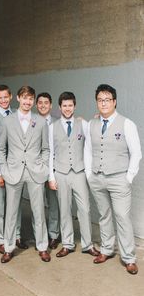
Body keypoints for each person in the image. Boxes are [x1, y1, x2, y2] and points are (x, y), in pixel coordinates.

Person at [84, 84, 142, 274]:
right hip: (97, 178)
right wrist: (89, 174)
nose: (104, 103)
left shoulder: (127, 124)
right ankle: (107, 250)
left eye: (107, 99)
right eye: (100, 100)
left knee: (122, 217)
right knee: (104, 215)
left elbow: (136, 153)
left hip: (119, 179)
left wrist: (128, 177)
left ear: (114, 102)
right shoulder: (92, 124)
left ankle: (129, 258)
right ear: (97, 102)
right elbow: (87, 151)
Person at [0, 85, 50, 263]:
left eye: (30, 99)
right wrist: (4, 170)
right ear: (18, 99)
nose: (27, 101)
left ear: (33, 101)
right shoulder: (7, 121)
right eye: (24, 98)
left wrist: (43, 167)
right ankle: (9, 247)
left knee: (39, 211)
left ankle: (42, 246)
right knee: (11, 212)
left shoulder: (41, 121)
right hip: (13, 172)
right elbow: (0, 149)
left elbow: (45, 149)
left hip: (35, 172)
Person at [49, 92, 99, 258]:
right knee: (64, 210)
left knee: (84, 209)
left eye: (70, 105)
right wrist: (51, 176)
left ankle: (88, 245)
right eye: (64, 106)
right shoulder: (52, 127)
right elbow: (50, 154)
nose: (68, 108)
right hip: (61, 173)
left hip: (79, 172)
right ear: (60, 107)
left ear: (74, 106)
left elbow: (93, 135)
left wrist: (97, 120)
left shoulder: (82, 123)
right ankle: (68, 244)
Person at [0, 84, 27, 254]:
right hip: (0, 169)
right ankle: (2, 238)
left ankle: (16, 235)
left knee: (15, 204)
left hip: (16, 168)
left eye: (5, 97)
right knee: (1, 205)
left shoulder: (17, 114)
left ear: (11, 97)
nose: (3, 100)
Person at [36, 92, 60, 249]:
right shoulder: (31, 121)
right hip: (36, 170)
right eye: (40, 102)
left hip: (53, 169)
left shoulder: (58, 123)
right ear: (36, 105)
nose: (43, 105)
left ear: (51, 105)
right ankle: (39, 236)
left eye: (46, 102)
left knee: (53, 203)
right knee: (37, 206)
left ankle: (54, 235)